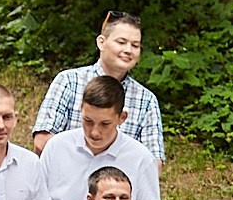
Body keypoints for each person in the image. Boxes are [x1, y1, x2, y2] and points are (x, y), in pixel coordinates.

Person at [40, 73, 164, 200]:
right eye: (88, 121)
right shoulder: (56, 147)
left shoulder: (141, 159)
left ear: (122, 118)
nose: (94, 132)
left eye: (104, 124)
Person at [33, 10, 165, 165]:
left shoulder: (146, 100)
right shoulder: (69, 81)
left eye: (135, 45)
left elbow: (153, 163)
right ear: (101, 42)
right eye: (121, 42)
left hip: (116, 185)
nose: (128, 50)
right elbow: (42, 142)